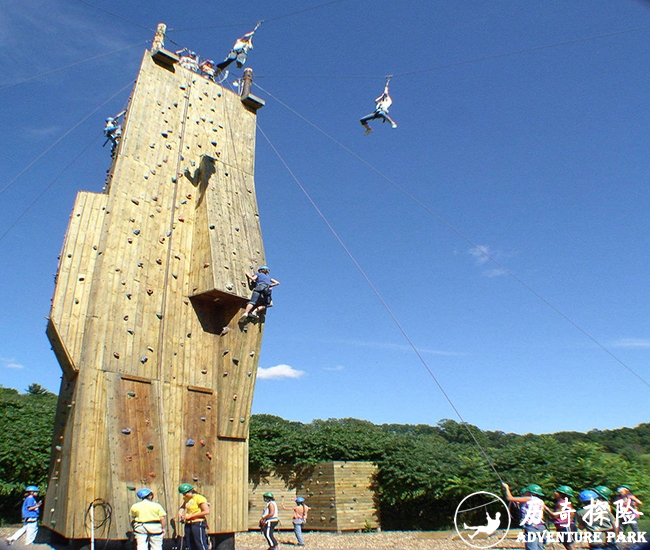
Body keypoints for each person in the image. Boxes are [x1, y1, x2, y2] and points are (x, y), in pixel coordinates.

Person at [502, 483, 548, 550]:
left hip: (531, 527)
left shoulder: (529, 498)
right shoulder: (541, 501)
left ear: (530, 493)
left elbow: (509, 498)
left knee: (531, 547)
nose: (523, 495)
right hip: (541, 526)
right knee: (539, 547)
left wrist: (506, 488)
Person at [177, 484, 209, 550]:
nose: (184, 495)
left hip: (197, 523)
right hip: (188, 523)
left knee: (199, 543)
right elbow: (183, 507)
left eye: (185, 493)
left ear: (190, 491)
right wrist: (180, 512)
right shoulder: (187, 499)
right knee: (190, 544)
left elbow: (206, 511)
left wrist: (191, 516)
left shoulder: (199, 498)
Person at [548, 485, 577, 550]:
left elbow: (555, 515)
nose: (555, 493)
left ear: (562, 494)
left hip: (565, 527)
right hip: (565, 526)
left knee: (569, 545)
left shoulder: (562, 503)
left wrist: (545, 508)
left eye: (557, 492)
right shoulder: (564, 503)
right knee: (567, 544)